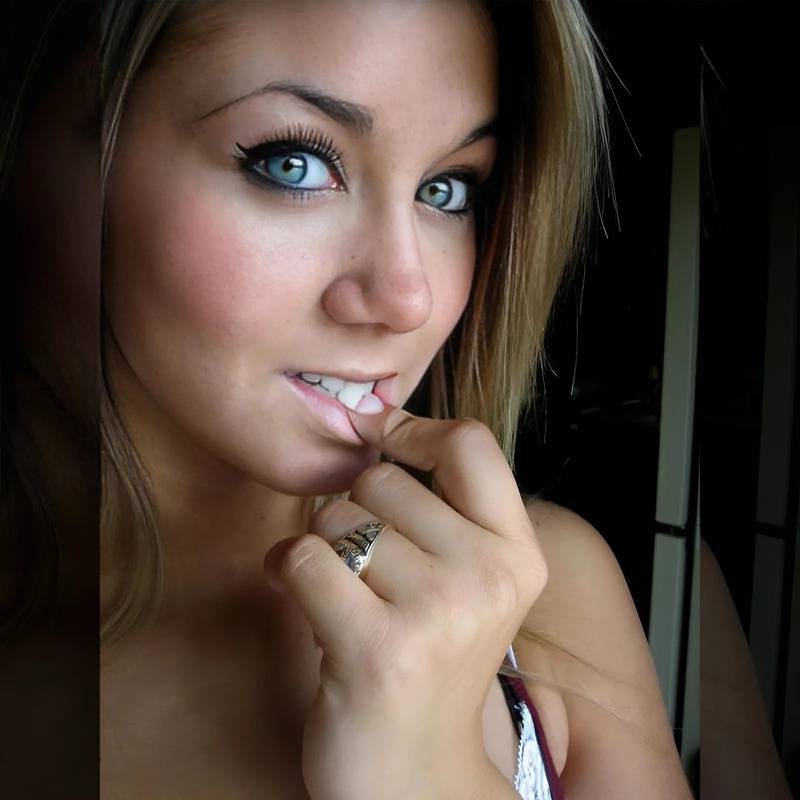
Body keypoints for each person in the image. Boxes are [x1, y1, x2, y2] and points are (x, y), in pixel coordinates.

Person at [2, 0, 694, 797]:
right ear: (29, 153)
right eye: (291, 164)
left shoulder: (548, 594)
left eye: (447, 189)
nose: (408, 298)